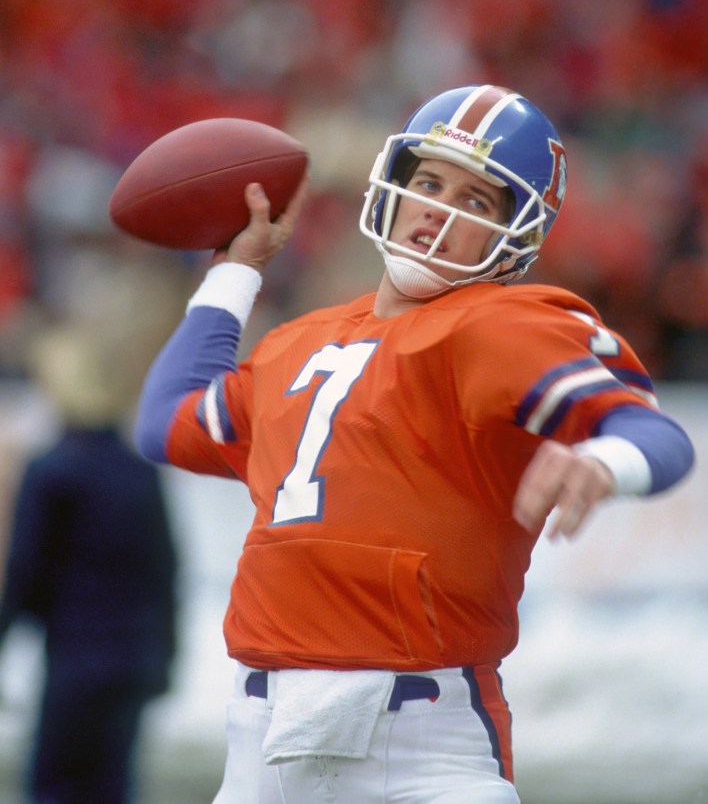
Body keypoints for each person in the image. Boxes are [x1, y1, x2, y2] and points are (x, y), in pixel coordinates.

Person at [134, 84, 694, 804]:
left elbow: (653, 432)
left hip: (422, 746)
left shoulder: (501, 325)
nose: (440, 209)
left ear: (515, 231)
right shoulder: (294, 344)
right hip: (259, 747)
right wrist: (236, 270)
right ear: (393, 185)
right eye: (429, 181)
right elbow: (165, 422)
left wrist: (600, 460)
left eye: (477, 200)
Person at [0, 326, 179, 804]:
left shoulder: (53, 470)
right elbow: (165, 569)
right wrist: (164, 655)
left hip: (73, 657)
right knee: (112, 785)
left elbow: (26, 570)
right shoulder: (138, 471)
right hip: (130, 659)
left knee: (56, 784)